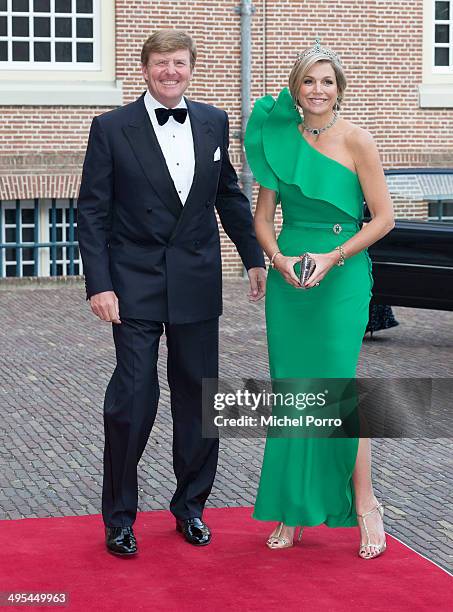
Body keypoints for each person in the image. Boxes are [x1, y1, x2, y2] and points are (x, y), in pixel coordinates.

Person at [77, 30, 266, 556]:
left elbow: (228, 194)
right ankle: (119, 518)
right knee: (133, 401)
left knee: (200, 401)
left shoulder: (213, 121)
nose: (170, 72)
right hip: (132, 283)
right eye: (161, 63)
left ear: (191, 67)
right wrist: (101, 284)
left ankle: (191, 508)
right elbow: (91, 214)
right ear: (145, 68)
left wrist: (252, 255)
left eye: (179, 63)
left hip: (196, 281)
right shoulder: (111, 128)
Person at [244, 39, 394, 559]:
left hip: (342, 275)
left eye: (327, 81)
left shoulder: (358, 141)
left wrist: (335, 256)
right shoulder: (278, 138)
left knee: (337, 391)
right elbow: (262, 218)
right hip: (290, 280)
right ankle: (293, 508)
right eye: (309, 80)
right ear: (296, 87)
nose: (317, 90)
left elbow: (383, 219)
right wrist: (276, 260)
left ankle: (366, 504)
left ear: (339, 88)